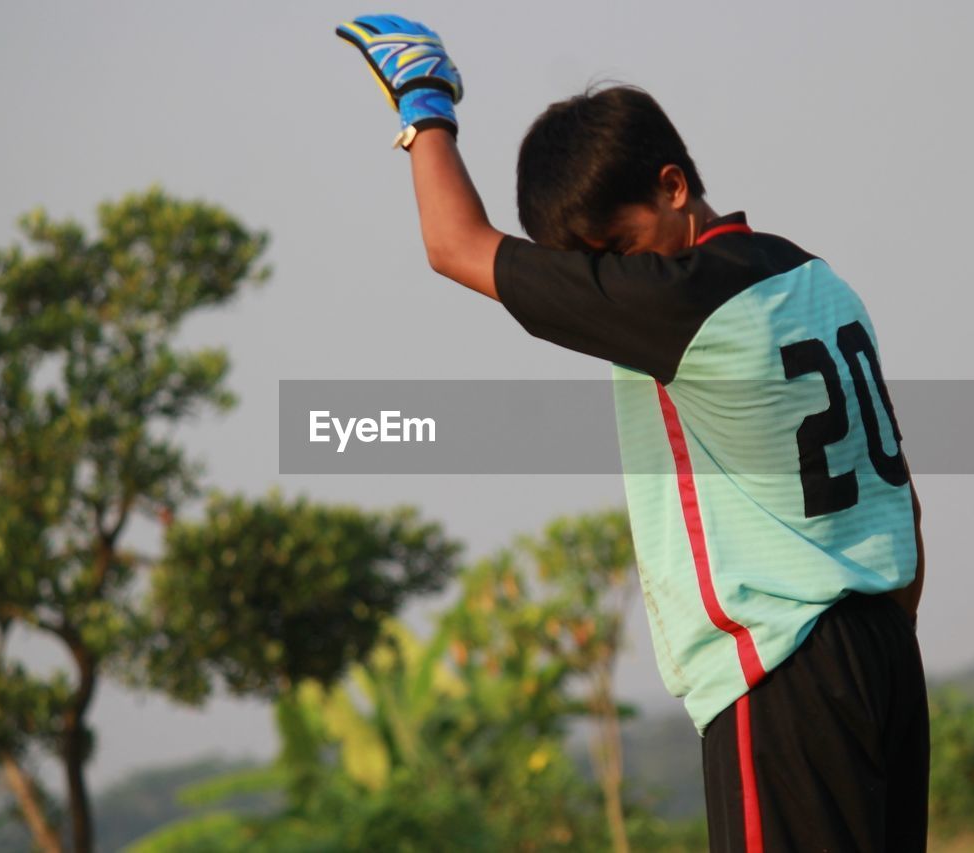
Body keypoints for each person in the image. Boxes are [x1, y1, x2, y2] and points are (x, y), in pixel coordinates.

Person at [336, 14, 929, 852]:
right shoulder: (815, 275)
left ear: (673, 188)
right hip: (887, 653)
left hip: (783, 674)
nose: (611, 279)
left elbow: (453, 244)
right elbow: (899, 501)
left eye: (616, 249)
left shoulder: (674, 299)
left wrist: (423, 100)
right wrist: (882, 652)